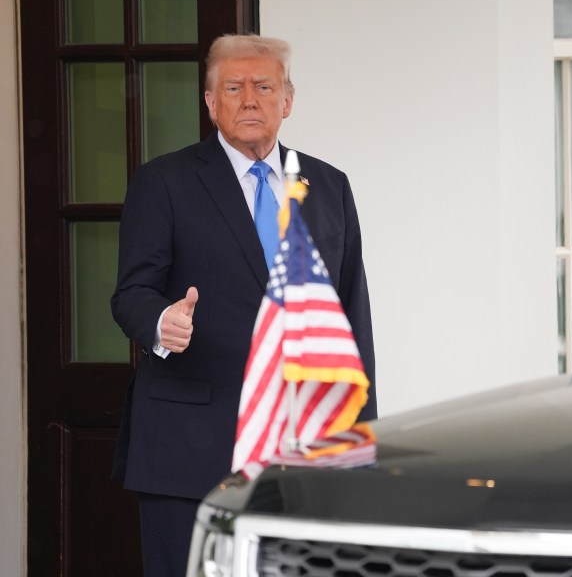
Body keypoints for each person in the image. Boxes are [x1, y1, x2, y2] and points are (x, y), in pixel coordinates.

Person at [110, 34, 377, 577]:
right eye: (233, 87)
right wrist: (162, 323)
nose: (249, 100)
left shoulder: (328, 185)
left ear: (288, 101)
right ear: (211, 102)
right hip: (190, 446)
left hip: (302, 445)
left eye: (264, 86)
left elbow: (351, 316)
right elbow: (130, 293)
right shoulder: (163, 182)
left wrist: (358, 437)